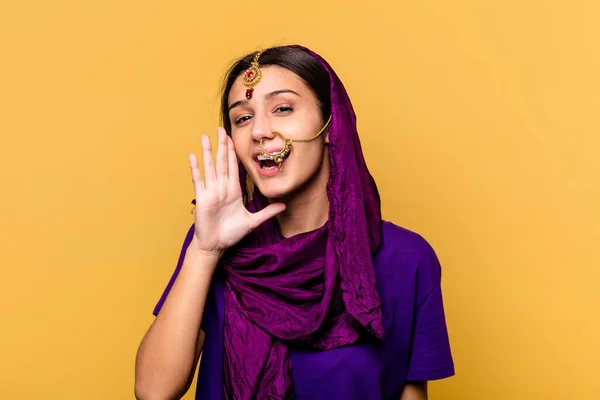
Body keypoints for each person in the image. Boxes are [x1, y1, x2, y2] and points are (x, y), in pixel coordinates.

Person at [134, 45, 454, 400]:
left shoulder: (406, 259)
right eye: (242, 118)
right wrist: (205, 251)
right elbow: (153, 391)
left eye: (282, 109)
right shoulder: (213, 243)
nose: (259, 131)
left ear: (332, 124)